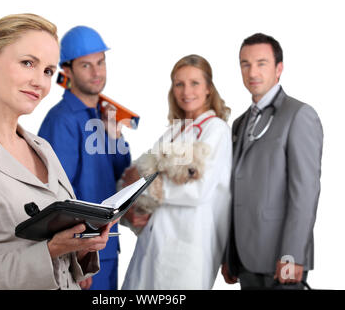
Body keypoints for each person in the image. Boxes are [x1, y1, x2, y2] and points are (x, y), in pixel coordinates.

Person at [0, 14, 114, 290]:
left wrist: (82, 250)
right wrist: (49, 251)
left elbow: (70, 268)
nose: (40, 82)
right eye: (28, 63)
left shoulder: (43, 149)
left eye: (48, 71)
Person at [221, 33, 323, 290]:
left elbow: (305, 193)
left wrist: (292, 256)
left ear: (279, 68)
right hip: (245, 258)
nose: (252, 71)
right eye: (245, 64)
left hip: (281, 260)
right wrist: (228, 256)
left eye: (261, 63)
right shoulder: (240, 123)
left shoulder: (299, 115)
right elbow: (235, 192)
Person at [121, 54, 232, 289]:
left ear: (209, 89)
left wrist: (140, 183)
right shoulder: (174, 131)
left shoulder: (216, 130)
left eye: (194, 83)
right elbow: (133, 174)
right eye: (179, 84)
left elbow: (197, 191)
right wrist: (135, 194)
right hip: (154, 241)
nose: (186, 91)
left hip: (187, 246)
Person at [38, 26, 131, 290]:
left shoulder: (102, 115)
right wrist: (80, 257)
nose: (97, 72)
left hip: (107, 244)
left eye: (100, 62)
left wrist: (114, 136)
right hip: (82, 252)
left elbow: (121, 176)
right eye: (86, 65)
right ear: (67, 71)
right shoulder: (62, 120)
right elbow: (56, 197)